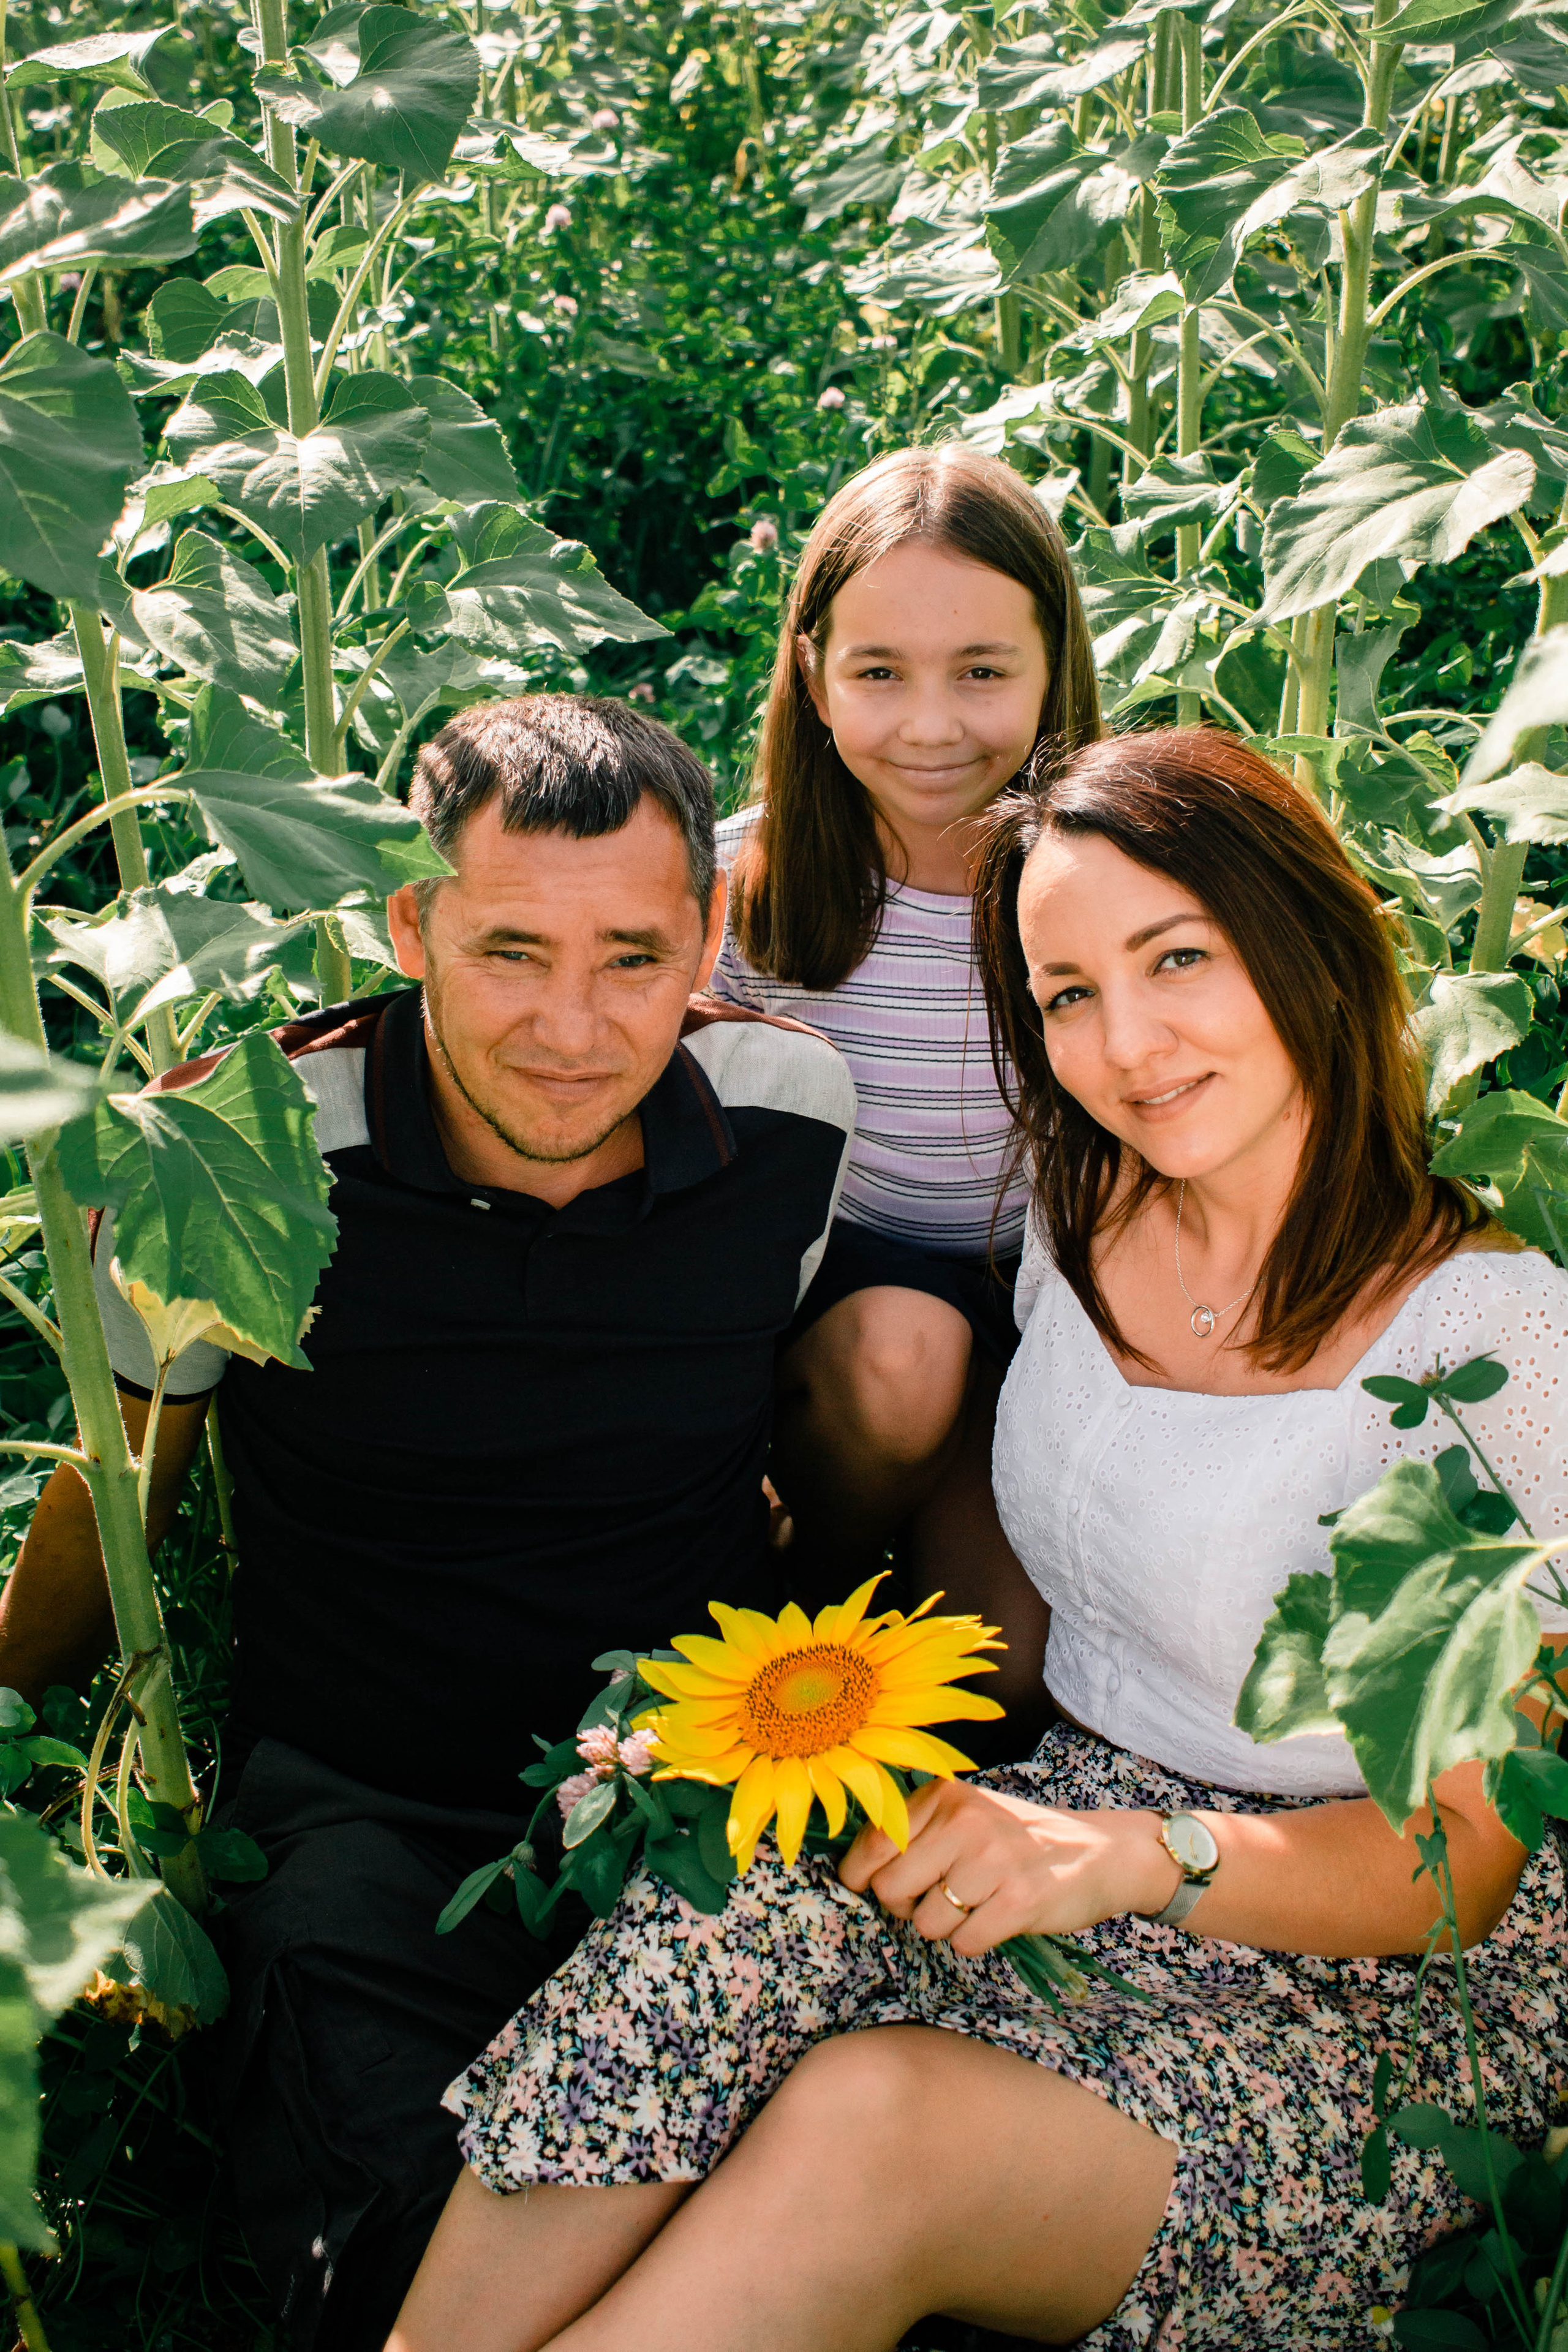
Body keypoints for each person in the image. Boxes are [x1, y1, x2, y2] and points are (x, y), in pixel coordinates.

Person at [387, 726, 1568, 2352]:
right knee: (729, 1891)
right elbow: (1049, 1561)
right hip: (1068, 1806)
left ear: (1301, 944)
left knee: (878, 2123)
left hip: (1379, 1998)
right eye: (1067, 992)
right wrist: (804, 1708)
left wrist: (1133, 1861)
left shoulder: (1486, 1346)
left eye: (1178, 961)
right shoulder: (1088, 1214)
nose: (1128, 1043)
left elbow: (1459, 1871)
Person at [0, 696, 856, 2352]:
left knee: (784, 2198)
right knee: (389, 2247)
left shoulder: (785, 1116)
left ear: (710, 931)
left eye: (631, 956)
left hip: (675, 1778)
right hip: (362, 1809)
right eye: (511, 951)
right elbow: (119, 1502)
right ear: (410, 926)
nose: (574, 1025)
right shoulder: (241, 1146)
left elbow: (806, 1413)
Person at [706, 443, 1099, 1719]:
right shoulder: (746, 889)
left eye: (982, 672)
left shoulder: (1111, 881)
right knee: (905, 1355)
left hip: (1048, 1305)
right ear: (813, 676)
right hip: (840, 1321)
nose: (931, 726)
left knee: (1011, 1679)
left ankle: (920, 1564)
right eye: (879, 672)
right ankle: (798, 1578)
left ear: (1052, 671)